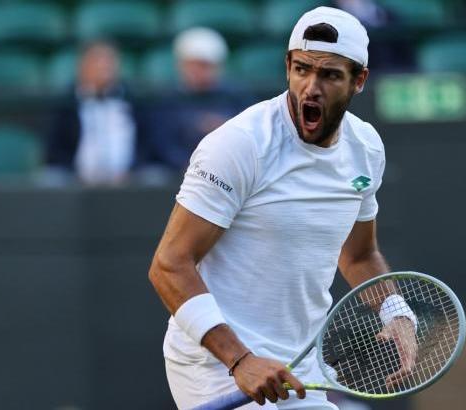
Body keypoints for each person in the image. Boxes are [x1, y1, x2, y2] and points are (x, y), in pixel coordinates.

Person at [148, 7, 417, 409]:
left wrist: (395, 313)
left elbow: (359, 254)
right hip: (214, 366)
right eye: (302, 69)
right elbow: (169, 265)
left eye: (329, 75)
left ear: (359, 80)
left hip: (299, 365)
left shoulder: (366, 148)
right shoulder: (238, 145)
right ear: (287, 66)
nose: (311, 87)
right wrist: (240, 359)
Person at [141, 27, 250, 172]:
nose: (197, 71)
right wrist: (192, 168)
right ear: (180, 65)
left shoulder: (237, 98)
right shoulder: (166, 102)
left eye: (205, 65)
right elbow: (162, 145)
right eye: (193, 64)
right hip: (177, 173)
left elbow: (249, 141)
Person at [46, 40, 138, 185]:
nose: (104, 66)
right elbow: (55, 149)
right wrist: (75, 174)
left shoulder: (134, 99)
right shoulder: (65, 102)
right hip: (75, 182)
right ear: (82, 66)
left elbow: (147, 143)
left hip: (129, 181)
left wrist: (132, 171)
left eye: (109, 60)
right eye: (97, 60)